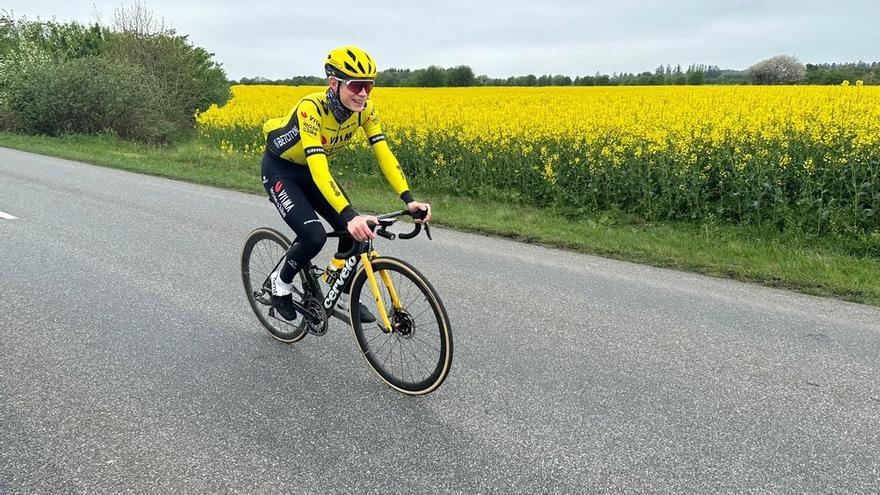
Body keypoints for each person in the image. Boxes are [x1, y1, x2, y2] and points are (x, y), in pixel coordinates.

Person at [260, 46, 431, 322]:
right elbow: (319, 168)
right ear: (334, 83)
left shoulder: (364, 110)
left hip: (312, 172)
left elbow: (384, 154)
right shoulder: (311, 109)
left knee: (352, 233)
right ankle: (281, 284)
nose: (363, 93)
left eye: (369, 86)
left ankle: (339, 286)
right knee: (313, 236)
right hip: (281, 171)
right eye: (356, 85)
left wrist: (408, 199)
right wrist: (350, 214)